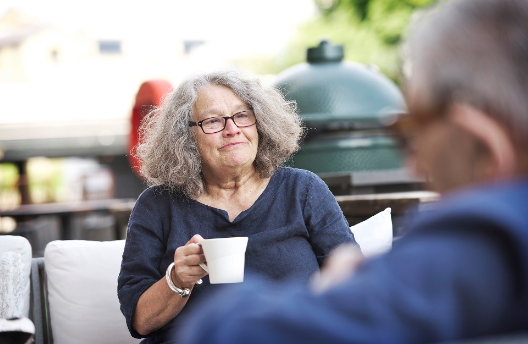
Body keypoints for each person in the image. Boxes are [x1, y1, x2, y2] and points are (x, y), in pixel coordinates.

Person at [178, 0, 528, 343]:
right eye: (212, 121)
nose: (414, 165)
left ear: (482, 144)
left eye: (412, 130)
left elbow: (224, 331)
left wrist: (330, 291)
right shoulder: (160, 204)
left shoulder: (479, 243)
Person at [117, 70, 357, 343]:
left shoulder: (303, 190)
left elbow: (354, 286)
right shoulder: (158, 205)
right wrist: (178, 280)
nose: (233, 129)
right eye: (213, 121)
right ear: (185, 138)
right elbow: (140, 322)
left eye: (242, 115)